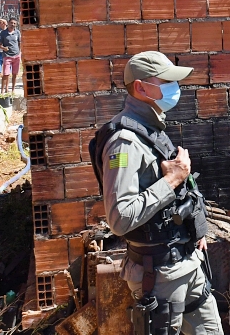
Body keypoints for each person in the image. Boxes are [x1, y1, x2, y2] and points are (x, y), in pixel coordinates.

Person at [90, 51, 222, 335]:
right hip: (159, 276)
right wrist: (172, 179)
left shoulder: (151, 128)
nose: (175, 89)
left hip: (187, 262)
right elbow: (120, 217)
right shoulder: (123, 143)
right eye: (166, 82)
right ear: (140, 87)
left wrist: (194, 230)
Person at [0, 18, 21, 95]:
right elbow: (0, 45)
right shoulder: (3, 33)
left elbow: (19, 43)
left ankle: (13, 90)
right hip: (7, 56)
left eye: (14, 23)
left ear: (16, 24)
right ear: (8, 23)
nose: (13, 25)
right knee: (6, 74)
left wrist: (20, 52)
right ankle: (2, 91)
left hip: (16, 56)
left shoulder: (17, 32)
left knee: (15, 74)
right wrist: (4, 48)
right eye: (11, 23)